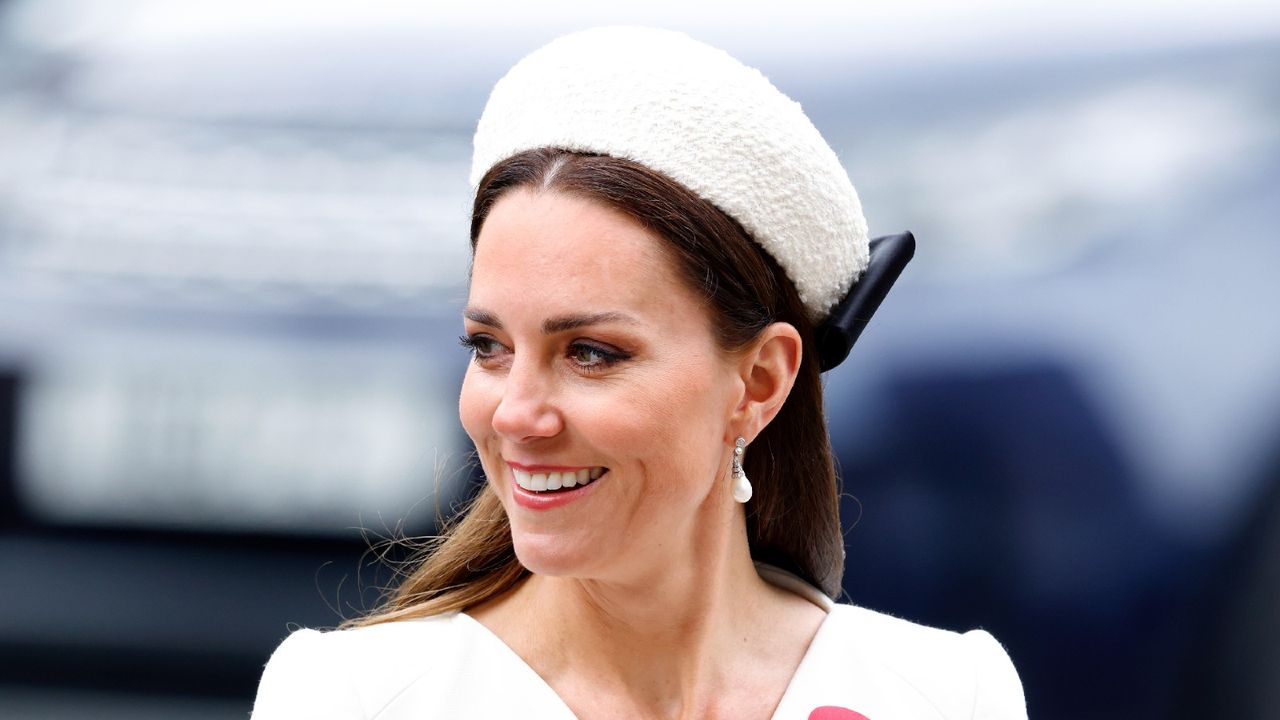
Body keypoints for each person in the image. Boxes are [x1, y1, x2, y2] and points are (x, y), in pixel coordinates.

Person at [251, 27, 1027, 719]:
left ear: (760, 382)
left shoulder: (945, 696)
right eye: (488, 347)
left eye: (590, 353)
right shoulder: (351, 699)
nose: (517, 413)